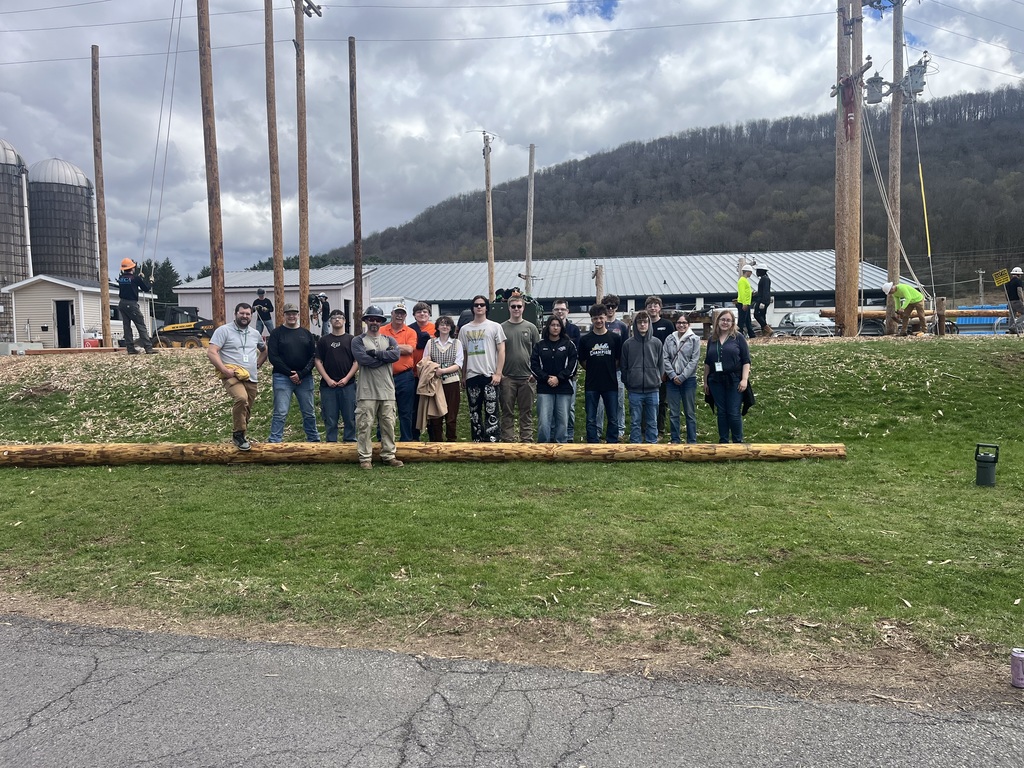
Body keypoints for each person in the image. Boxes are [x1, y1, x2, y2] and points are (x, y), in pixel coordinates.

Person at [207, 303, 268, 450]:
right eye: (242, 313)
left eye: (247, 314)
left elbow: (264, 350)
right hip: (232, 375)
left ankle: (241, 437)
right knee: (241, 398)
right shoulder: (223, 331)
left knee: (247, 409)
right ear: (235, 314)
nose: (245, 316)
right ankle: (238, 434)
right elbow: (212, 352)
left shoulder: (255, 333)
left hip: (251, 377)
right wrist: (224, 370)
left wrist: (258, 364)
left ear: (251, 316)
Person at [351, 305, 404, 469]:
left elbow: (395, 355)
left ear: (382, 322)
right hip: (366, 391)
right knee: (364, 425)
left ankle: (389, 455)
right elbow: (363, 360)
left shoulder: (390, 340)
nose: (374, 322)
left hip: (387, 390)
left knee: (388, 424)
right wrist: (384, 357)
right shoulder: (358, 340)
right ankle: (365, 458)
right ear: (366, 320)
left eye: (377, 319)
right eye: (371, 319)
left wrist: (375, 353)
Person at [267, 303, 320, 443]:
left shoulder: (306, 333)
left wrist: (301, 374)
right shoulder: (276, 333)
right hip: (282, 377)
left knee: (309, 412)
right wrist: (289, 373)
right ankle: (274, 441)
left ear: (298, 315)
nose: (291, 316)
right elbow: (273, 356)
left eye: (294, 313)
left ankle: (314, 441)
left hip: (305, 378)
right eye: (288, 313)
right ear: (283, 315)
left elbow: (313, 356)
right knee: (280, 412)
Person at [461, 295, 506, 442]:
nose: (479, 307)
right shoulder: (464, 329)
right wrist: (463, 376)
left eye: (482, 304)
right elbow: (464, 354)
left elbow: (501, 350)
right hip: (472, 375)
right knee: (474, 411)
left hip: (490, 375)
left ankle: (493, 439)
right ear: (472, 308)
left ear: (487, 307)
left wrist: (498, 373)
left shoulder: (495, 326)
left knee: (491, 410)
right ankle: (477, 439)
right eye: (476, 305)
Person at [703, 310, 750, 444]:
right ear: (718, 321)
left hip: (734, 379)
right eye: (723, 320)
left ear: (732, 323)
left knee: (733, 412)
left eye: (728, 320)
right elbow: (708, 362)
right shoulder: (712, 339)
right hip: (716, 380)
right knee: (722, 412)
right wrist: (705, 381)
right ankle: (723, 441)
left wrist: (744, 379)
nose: (725, 322)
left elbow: (746, 360)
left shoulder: (738, 337)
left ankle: (737, 442)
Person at [577, 303, 621, 444]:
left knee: (613, 416)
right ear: (591, 320)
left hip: (610, 382)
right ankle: (592, 442)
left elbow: (618, 359)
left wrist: (607, 368)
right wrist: (593, 369)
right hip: (592, 383)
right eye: (595, 318)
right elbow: (582, 360)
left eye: (601, 318)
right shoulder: (585, 340)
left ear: (605, 318)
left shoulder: (615, 338)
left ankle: (612, 442)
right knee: (591, 416)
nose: (598, 321)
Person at [530, 316, 578, 443]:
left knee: (562, 420)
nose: (555, 327)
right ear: (548, 327)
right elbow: (533, 365)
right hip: (544, 388)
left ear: (561, 328)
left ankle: (561, 444)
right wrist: (546, 378)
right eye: (553, 325)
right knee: (544, 420)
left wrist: (559, 378)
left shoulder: (569, 345)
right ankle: (543, 445)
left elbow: (572, 366)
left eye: (558, 325)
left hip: (564, 388)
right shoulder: (539, 345)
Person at [314, 309, 358, 443]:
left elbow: (357, 361)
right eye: (334, 318)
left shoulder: (352, 340)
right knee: (330, 416)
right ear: (330, 321)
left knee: (350, 416)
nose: (337, 320)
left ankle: (350, 441)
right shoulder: (323, 340)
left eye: (340, 317)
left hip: (348, 385)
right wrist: (328, 380)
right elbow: (317, 361)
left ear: (345, 321)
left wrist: (346, 378)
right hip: (328, 386)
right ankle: (331, 443)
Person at [500, 294, 540, 442]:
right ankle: (508, 441)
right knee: (507, 411)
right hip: (507, 377)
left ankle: (526, 442)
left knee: (526, 412)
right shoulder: (501, 328)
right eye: (513, 306)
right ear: (508, 308)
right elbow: (496, 352)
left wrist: (535, 373)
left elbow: (538, 352)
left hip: (527, 377)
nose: (516, 309)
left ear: (523, 308)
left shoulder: (531, 328)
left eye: (519, 306)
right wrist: (500, 374)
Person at [621, 310, 663, 444]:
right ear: (635, 325)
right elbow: (624, 365)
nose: (642, 325)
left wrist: (657, 379)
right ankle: (635, 444)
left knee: (652, 420)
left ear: (649, 324)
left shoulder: (656, 343)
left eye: (645, 322)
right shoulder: (628, 344)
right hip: (635, 389)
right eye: (640, 322)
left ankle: (652, 443)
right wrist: (628, 381)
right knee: (635, 420)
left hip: (653, 388)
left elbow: (661, 364)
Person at [380, 303, 418, 442]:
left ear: (405, 315)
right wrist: (397, 348)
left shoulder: (411, 332)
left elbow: (409, 349)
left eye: (402, 313)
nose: (399, 316)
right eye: (397, 312)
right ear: (392, 313)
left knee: (405, 411)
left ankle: (406, 440)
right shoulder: (382, 330)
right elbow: (378, 349)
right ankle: (383, 439)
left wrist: (389, 347)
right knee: (384, 410)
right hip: (384, 375)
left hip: (405, 376)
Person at [422, 315, 464, 441]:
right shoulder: (431, 343)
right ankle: (436, 441)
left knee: (451, 413)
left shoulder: (457, 343)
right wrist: (435, 370)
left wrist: (443, 371)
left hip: (451, 382)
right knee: (436, 412)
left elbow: (459, 364)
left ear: (451, 327)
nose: (445, 327)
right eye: (442, 324)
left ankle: (451, 439)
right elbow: (425, 361)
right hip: (435, 383)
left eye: (447, 324)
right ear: (438, 327)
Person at [662, 314, 701, 444]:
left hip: (688, 380)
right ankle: (675, 439)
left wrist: (683, 376)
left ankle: (692, 440)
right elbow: (665, 358)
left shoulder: (695, 339)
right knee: (674, 412)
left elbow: (694, 360)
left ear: (688, 324)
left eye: (684, 322)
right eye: (679, 322)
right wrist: (673, 375)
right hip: (672, 380)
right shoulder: (669, 339)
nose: (681, 325)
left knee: (689, 412)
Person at [596, 293, 628, 440]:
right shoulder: (598, 323)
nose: (610, 309)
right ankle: (598, 430)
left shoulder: (622, 326)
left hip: (618, 370)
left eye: (612, 306)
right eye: (607, 306)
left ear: (616, 308)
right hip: (601, 370)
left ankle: (620, 430)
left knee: (619, 401)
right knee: (600, 404)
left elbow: (625, 348)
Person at [551, 299, 581, 441]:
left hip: (569, 377)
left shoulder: (574, 330)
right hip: (551, 377)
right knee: (552, 409)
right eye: (557, 309)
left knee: (570, 408)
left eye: (562, 309)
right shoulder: (548, 329)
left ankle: (569, 436)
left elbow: (576, 354)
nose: (560, 312)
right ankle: (552, 436)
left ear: (567, 311)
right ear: (553, 311)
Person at [645, 296, 674, 438]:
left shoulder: (667, 325)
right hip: (645, 369)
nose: (653, 308)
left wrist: (667, 370)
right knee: (645, 400)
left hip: (662, 368)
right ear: (646, 308)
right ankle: (645, 429)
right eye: (650, 305)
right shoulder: (643, 324)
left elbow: (671, 347)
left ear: (660, 308)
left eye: (655, 305)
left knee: (661, 401)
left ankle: (660, 430)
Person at [116, 258, 156, 354]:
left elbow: (130, 282)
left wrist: (139, 278)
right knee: (140, 325)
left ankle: (130, 349)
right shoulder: (135, 279)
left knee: (127, 327)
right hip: (131, 304)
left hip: (122, 304)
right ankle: (148, 348)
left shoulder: (121, 278)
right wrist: (151, 282)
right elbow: (145, 288)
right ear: (132, 268)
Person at [410, 302, 436, 441]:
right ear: (414, 315)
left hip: (430, 374)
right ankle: (414, 436)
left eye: (425, 312)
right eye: (419, 312)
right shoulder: (409, 330)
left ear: (429, 314)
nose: (422, 314)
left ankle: (434, 436)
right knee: (414, 406)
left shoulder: (435, 328)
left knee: (431, 405)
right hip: (413, 373)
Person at [736, 264, 756, 338]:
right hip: (743, 303)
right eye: (750, 272)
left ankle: (752, 334)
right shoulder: (742, 281)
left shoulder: (744, 280)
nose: (751, 274)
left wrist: (751, 293)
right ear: (747, 272)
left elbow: (746, 292)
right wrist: (744, 303)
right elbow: (742, 292)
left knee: (747, 320)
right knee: (741, 321)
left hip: (746, 303)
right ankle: (738, 334)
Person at [753, 265, 773, 337]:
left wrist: (763, 302)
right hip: (762, 299)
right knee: (762, 316)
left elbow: (765, 291)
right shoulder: (764, 278)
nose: (756, 272)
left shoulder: (765, 279)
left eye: (758, 270)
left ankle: (767, 329)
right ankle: (764, 332)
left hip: (762, 300)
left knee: (756, 314)